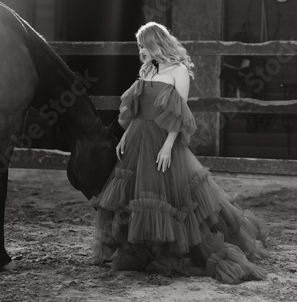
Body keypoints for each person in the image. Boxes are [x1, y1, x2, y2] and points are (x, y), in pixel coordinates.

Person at [92, 22, 268, 284]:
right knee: (136, 195)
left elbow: (181, 113)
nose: (140, 50)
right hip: (139, 136)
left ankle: (170, 249)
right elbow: (138, 109)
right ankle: (142, 249)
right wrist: (125, 136)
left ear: (155, 43)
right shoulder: (148, 69)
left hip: (164, 138)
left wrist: (167, 145)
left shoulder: (179, 70)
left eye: (143, 45)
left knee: (172, 197)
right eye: (139, 46)